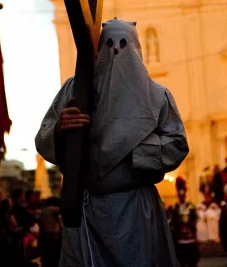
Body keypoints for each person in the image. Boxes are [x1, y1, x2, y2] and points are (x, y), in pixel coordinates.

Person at [35, 18, 189, 267]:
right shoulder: (75, 90)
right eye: (107, 44)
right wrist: (61, 128)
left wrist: (132, 149)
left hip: (136, 212)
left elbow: (177, 144)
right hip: (89, 212)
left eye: (124, 44)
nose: (115, 50)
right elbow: (44, 137)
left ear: (137, 49)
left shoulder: (158, 95)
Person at [170, 177, 200, 267]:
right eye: (180, 195)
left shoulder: (191, 206)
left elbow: (195, 218)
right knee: (182, 262)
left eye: (183, 195)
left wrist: (191, 226)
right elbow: (173, 222)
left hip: (190, 239)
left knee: (192, 263)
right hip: (180, 240)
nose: (182, 196)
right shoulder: (176, 207)